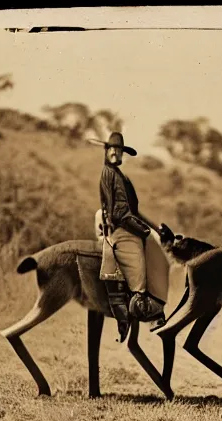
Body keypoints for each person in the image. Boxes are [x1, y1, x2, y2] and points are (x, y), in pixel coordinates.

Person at [88, 132, 167, 340]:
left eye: (119, 149)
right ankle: (140, 306)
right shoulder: (108, 174)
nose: (115, 152)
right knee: (139, 265)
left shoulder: (122, 176)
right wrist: (142, 231)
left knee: (154, 250)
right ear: (106, 152)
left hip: (127, 224)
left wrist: (155, 229)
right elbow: (119, 214)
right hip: (120, 229)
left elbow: (133, 210)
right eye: (111, 149)